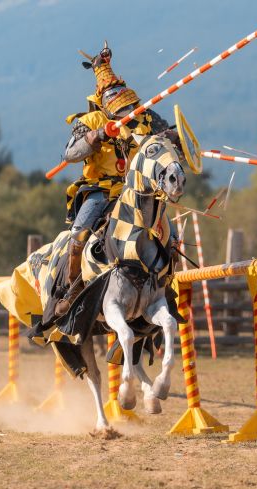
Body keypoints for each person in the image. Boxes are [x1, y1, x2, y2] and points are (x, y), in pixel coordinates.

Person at [55, 42, 173, 316]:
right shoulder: (91, 119)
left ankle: (164, 286)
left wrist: (173, 137)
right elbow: (69, 154)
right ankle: (74, 292)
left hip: (138, 189)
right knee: (78, 237)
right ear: (104, 103)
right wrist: (97, 136)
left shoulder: (142, 117)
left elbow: (166, 135)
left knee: (169, 236)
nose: (124, 111)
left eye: (127, 104)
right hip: (102, 189)